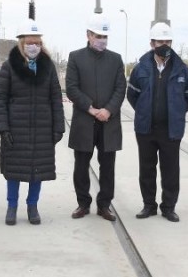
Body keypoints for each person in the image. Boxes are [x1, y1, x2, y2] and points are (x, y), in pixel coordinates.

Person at [0, 19, 65, 226]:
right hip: (16, 128)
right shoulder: (9, 67)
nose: (33, 46)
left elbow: (55, 98)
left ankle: (32, 206)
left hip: (42, 128)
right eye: (29, 42)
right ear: (21, 43)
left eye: (37, 42)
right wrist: (3, 127)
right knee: (14, 170)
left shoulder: (48, 67)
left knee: (38, 170)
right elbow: (0, 99)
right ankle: (12, 206)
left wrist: (58, 127)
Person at [126, 22, 188, 222]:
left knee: (170, 170)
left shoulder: (182, 69)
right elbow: (132, 96)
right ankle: (149, 205)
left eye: (167, 41)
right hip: (146, 129)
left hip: (171, 130)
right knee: (146, 168)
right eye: (160, 41)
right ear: (152, 43)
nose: (164, 45)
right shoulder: (140, 68)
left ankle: (168, 207)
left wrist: (175, 113)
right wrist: (143, 112)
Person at [66, 13, 126, 222]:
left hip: (109, 122)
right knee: (81, 165)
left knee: (107, 166)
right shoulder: (76, 57)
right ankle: (83, 203)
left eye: (105, 36)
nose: (102, 39)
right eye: (98, 35)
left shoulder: (116, 59)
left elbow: (120, 88)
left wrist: (108, 110)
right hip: (85, 120)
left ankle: (104, 205)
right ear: (88, 35)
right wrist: (91, 109)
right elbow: (71, 88)